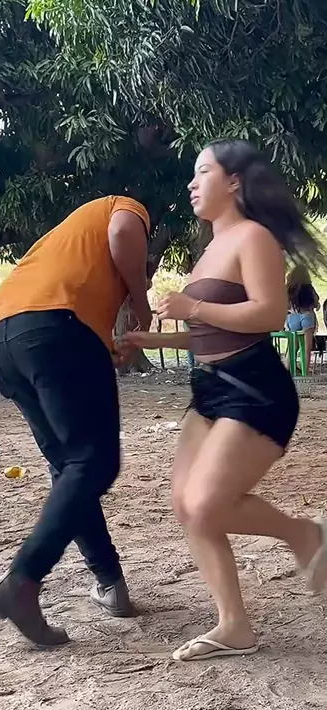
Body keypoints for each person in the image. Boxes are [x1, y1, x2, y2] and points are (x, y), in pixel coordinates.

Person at [123, 139, 327, 662]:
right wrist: (153, 339)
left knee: (205, 504)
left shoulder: (252, 237)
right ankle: (233, 626)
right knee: (188, 508)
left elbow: (268, 315)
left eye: (203, 172)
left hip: (253, 389)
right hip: (209, 388)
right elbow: (209, 333)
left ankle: (304, 535)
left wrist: (192, 306)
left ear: (234, 182)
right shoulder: (209, 251)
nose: (192, 184)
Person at [0, 196, 152, 646]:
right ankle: (23, 580)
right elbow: (123, 231)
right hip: (56, 328)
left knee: (71, 468)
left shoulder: (67, 245)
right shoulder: (123, 206)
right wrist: (142, 304)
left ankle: (110, 584)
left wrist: (109, 342)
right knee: (94, 462)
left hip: (2, 339)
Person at [286, 264, 320, 371]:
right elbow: (316, 303)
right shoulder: (309, 288)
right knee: (306, 347)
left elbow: (285, 305)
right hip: (307, 316)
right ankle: (305, 370)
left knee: (292, 347)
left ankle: (288, 368)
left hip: (293, 317)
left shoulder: (288, 288)